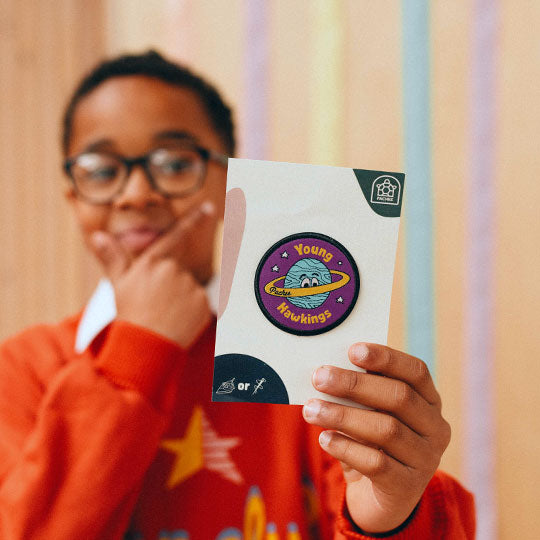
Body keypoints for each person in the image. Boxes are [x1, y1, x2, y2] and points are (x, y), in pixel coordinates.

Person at [0, 51, 475, 539]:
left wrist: (389, 515)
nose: (136, 193)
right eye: (101, 171)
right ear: (74, 198)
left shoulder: (301, 356)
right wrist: (138, 348)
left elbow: (377, 496)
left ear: (229, 180)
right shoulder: (24, 368)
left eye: (175, 163)